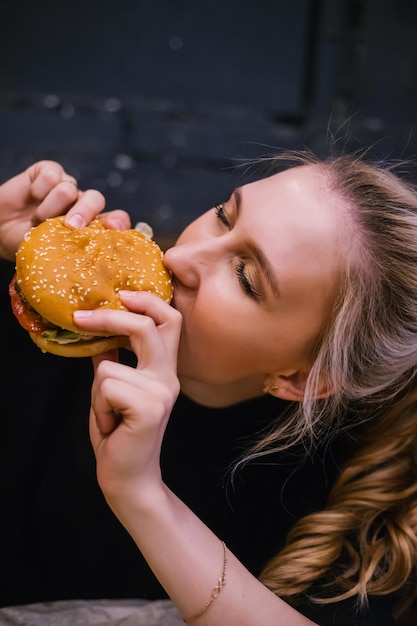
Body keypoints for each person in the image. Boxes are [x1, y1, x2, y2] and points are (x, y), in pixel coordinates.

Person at [1, 153, 417, 625]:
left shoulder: (366, 522)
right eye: (223, 216)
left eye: (245, 277)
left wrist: (140, 493)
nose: (178, 256)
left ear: (300, 379)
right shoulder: (51, 314)